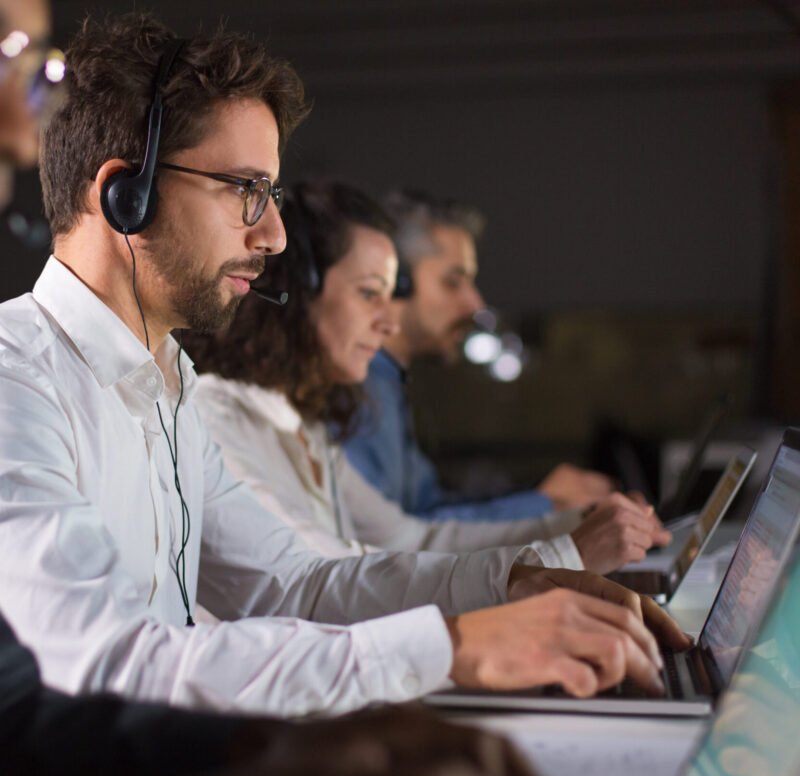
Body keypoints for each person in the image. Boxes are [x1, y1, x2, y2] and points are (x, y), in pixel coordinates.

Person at [0, 12, 689, 725]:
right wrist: (446, 648)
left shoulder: (169, 383)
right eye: (245, 189)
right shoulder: (15, 382)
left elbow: (296, 587)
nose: (272, 235)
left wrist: (512, 585)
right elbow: (96, 667)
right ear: (125, 197)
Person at [188, 179, 670, 574]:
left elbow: (413, 538)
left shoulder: (305, 425)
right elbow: (322, 580)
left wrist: (569, 527)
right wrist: (561, 553)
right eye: (369, 293)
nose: (390, 321)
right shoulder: (218, 417)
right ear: (297, 292)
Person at [344, 188, 618, 519]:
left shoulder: (387, 384)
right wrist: (543, 504)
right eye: (453, 282)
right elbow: (394, 539)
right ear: (397, 281)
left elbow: (427, 508)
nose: (475, 303)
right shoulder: (355, 387)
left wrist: (542, 494)